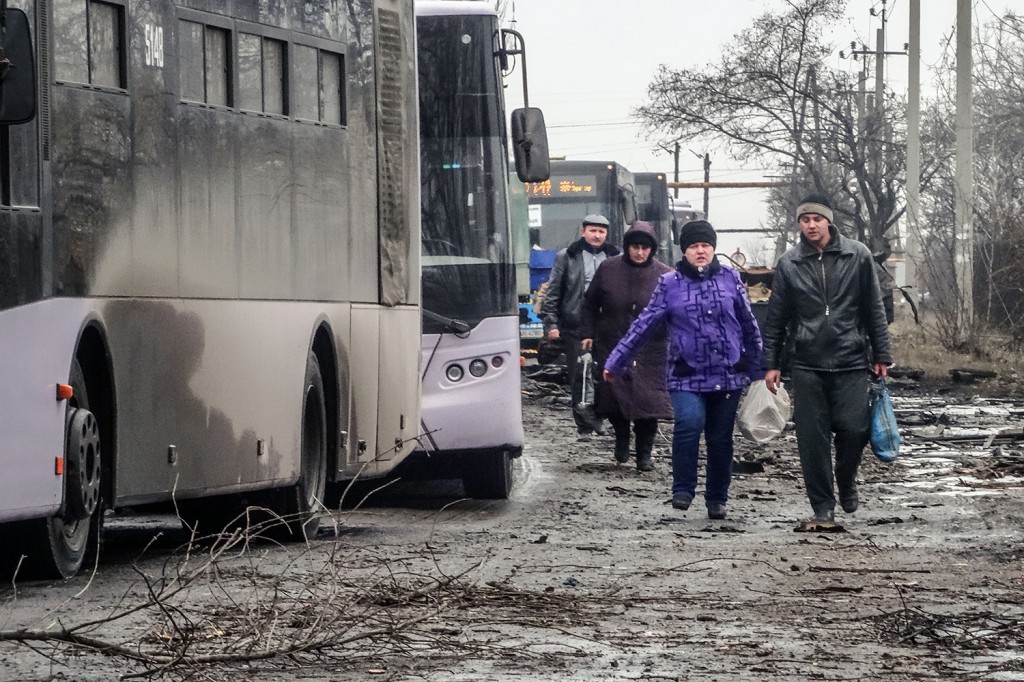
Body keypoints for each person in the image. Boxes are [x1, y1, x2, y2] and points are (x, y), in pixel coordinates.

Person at [603, 220, 763, 520]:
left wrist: (759, 368)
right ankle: (683, 489)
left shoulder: (730, 278)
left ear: (713, 248)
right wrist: (616, 361)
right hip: (686, 373)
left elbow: (748, 324)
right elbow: (643, 325)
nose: (700, 251)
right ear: (684, 251)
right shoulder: (670, 284)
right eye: (693, 246)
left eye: (705, 245)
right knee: (689, 424)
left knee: (720, 438)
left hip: (728, 374)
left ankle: (717, 498)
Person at [761, 193, 892, 524]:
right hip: (806, 362)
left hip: (850, 358)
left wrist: (881, 353)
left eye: (816, 219)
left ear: (828, 221)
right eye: (804, 221)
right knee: (812, 439)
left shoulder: (857, 255)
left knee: (855, 429)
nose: (811, 226)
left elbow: (874, 308)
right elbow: (776, 318)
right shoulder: (789, 263)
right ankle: (823, 506)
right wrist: (772, 363)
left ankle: (846, 480)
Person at [580, 221, 672, 471]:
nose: (640, 252)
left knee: (648, 401)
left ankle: (644, 455)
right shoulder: (608, 269)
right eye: (635, 246)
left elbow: (677, 311)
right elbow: (589, 304)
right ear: (627, 247)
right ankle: (621, 440)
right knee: (615, 397)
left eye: (645, 247)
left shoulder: (665, 275)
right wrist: (588, 332)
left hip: (651, 348)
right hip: (613, 341)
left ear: (652, 249)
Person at [542, 214, 620, 435]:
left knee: (604, 373)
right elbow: (553, 292)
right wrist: (552, 324)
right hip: (575, 325)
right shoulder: (567, 256)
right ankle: (585, 423)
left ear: (607, 234)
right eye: (593, 231)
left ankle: (601, 416)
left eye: (601, 231)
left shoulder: (615, 257)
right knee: (580, 374)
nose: (597, 235)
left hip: (607, 326)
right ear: (583, 231)